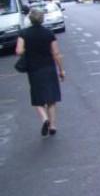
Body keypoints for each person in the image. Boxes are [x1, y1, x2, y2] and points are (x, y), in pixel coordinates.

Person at [15, 8, 65, 136]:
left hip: (34, 70)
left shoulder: (24, 33)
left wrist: (29, 49)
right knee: (51, 99)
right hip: (49, 68)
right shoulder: (48, 33)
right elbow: (56, 53)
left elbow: (19, 51)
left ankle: (45, 119)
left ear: (30, 20)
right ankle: (52, 126)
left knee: (38, 99)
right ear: (42, 19)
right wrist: (61, 70)